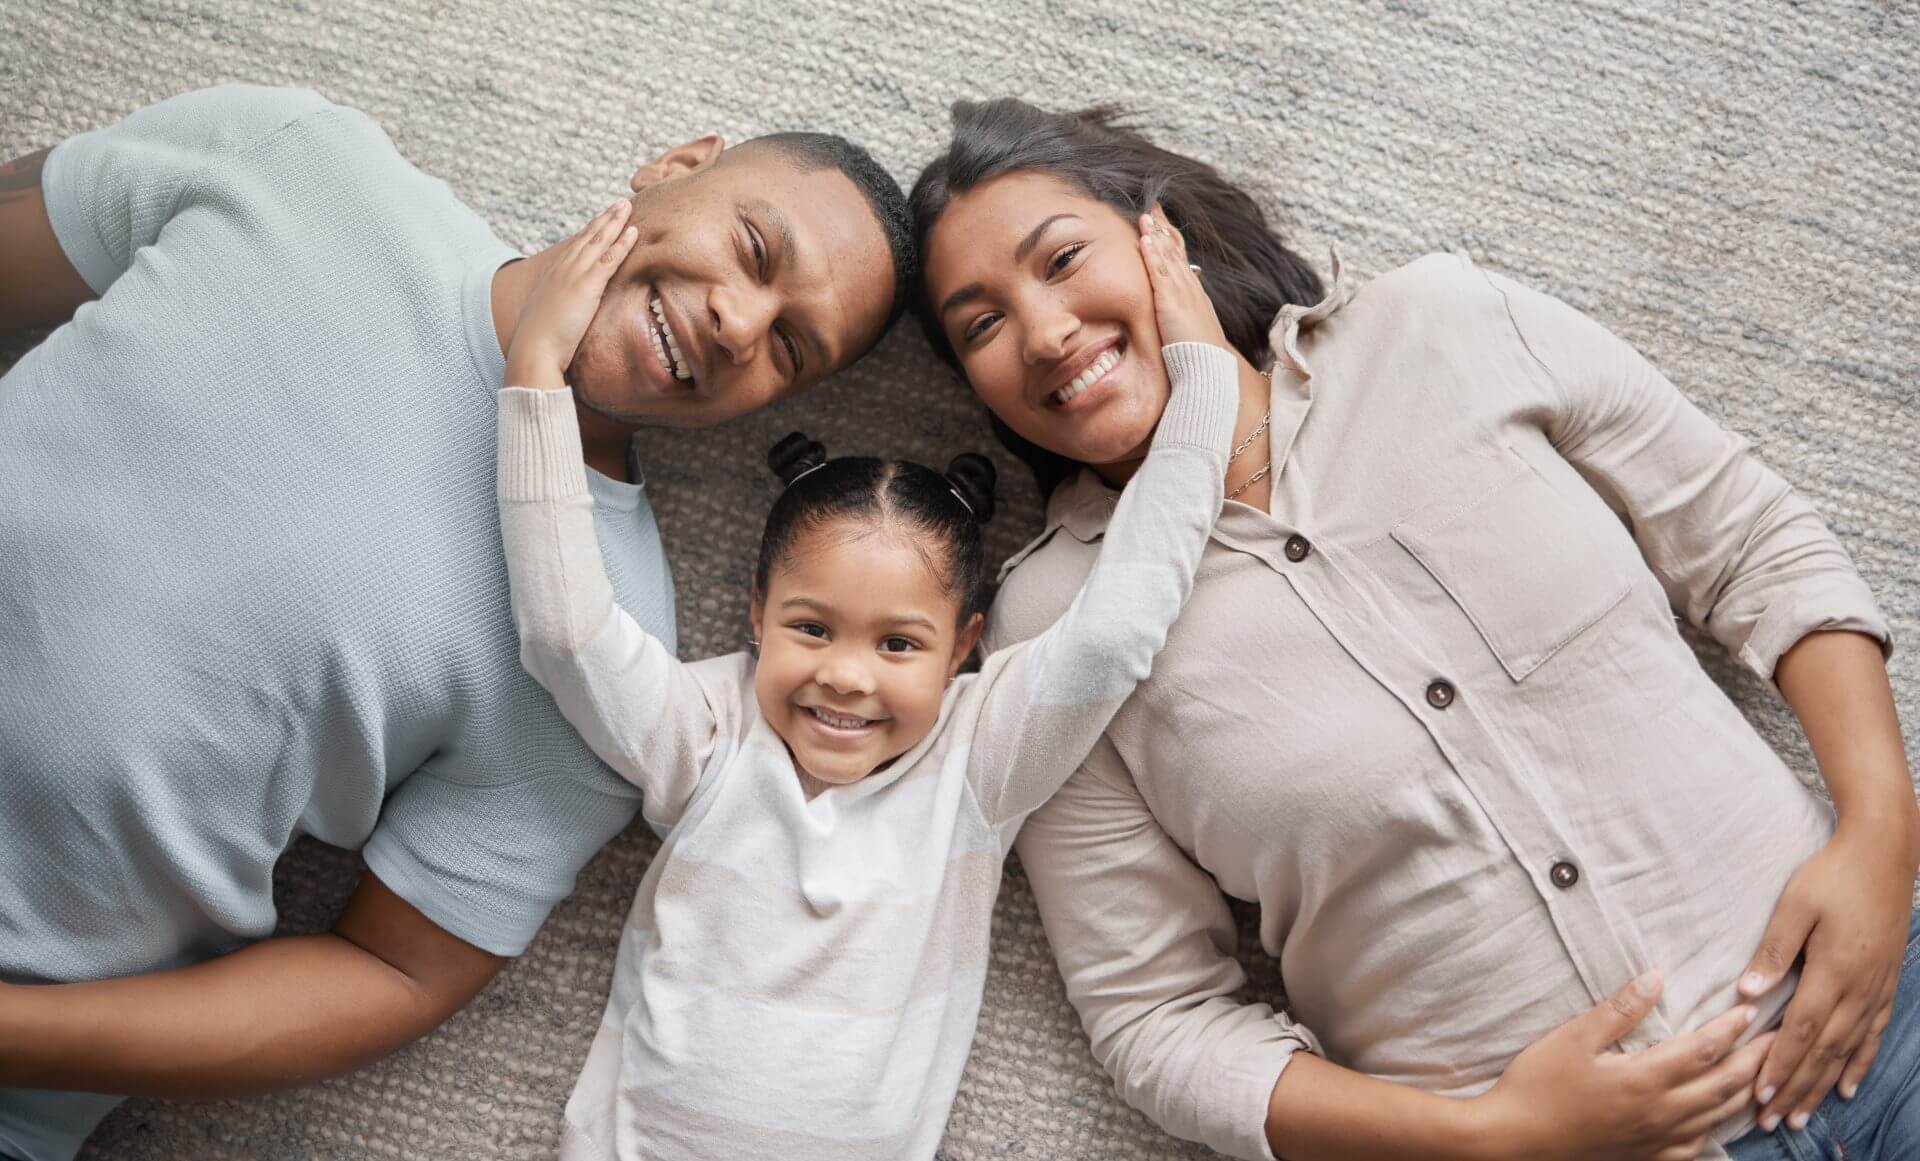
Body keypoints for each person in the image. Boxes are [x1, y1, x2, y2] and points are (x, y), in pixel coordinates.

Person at [910, 97, 1918, 1161]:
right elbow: (1156, 1020)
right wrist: (1485, 1136)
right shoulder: (1051, 628)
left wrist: (1883, 832)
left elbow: (1749, 539)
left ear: (1171, 240)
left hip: (1881, 1015)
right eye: (982, 324)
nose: (1044, 330)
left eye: (1062, 259)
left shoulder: (1441, 323)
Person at [0, 83, 912, 1161]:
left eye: (790, 349)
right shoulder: (299, 162)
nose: (740, 321)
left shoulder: (601, 647)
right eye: (754, 247)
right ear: (676, 164)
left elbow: (390, 974)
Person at [491, 197, 1233, 1160]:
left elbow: (1116, 628)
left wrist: (1201, 375)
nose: (844, 677)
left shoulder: (978, 759)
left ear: (966, 645)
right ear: (756, 613)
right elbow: (565, 630)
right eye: (810, 627)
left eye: (898, 645)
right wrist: (537, 375)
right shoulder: (711, 733)